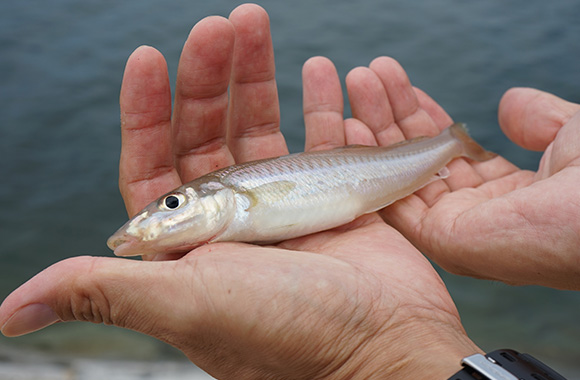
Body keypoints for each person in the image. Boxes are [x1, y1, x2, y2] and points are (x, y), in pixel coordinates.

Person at [0, 4, 578, 379]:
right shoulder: (229, 217)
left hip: (406, 165)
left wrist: (376, 359)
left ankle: (450, 143)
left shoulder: (235, 198)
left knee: (424, 149)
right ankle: (449, 144)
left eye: (173, 203)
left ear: (218, 197)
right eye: (168, 205)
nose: (163, 211)